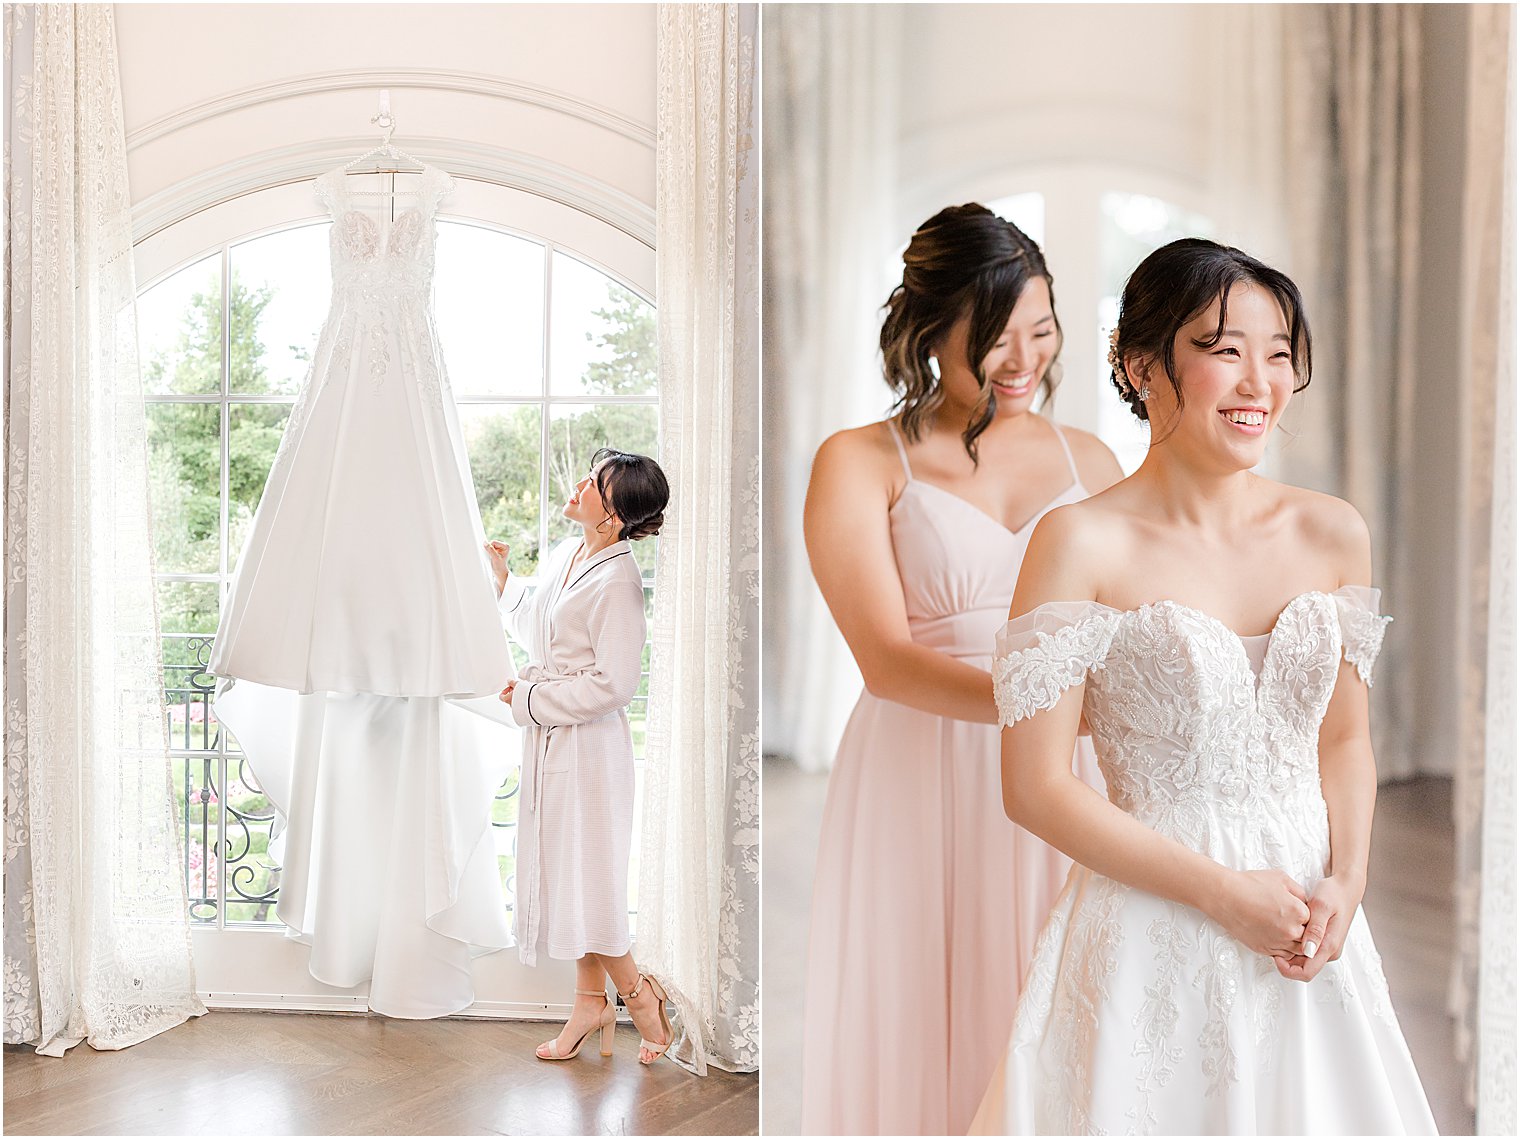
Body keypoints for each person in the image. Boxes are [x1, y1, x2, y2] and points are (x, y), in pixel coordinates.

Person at [972, 238, 1436, 1134]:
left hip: (1309, 927)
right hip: (1151, 928)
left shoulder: (1334, 532)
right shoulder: (1079, 543)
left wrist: (1349, 879)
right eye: (1224, 350)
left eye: (1277, 353)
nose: (1259, 381)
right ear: (1140, 363)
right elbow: (1033, 786)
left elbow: (1343, 742)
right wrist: (1222, 893)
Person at [800, 205, 1123, 1135]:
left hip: (1071, 769)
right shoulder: (861, 460)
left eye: (1043, 329)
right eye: (992, 338)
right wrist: (1049, 712)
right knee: (928, 990)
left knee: (1060, 984)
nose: (1023, 359)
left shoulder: (1091, 460)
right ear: (928, 329)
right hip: (926, 759)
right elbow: (886, 660)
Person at [484, 448, 675, 1065]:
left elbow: (616, 684)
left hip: (589, 750)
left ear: (613, 514)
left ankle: (638, 996)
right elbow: (541, 634)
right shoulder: (569, 556)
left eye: (593, 484)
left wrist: (535, 695)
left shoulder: (620, 583)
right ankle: (588, 1004)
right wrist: (504, 583)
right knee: (567, 876)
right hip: (551, 740)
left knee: (590, 880)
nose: (579, 485)